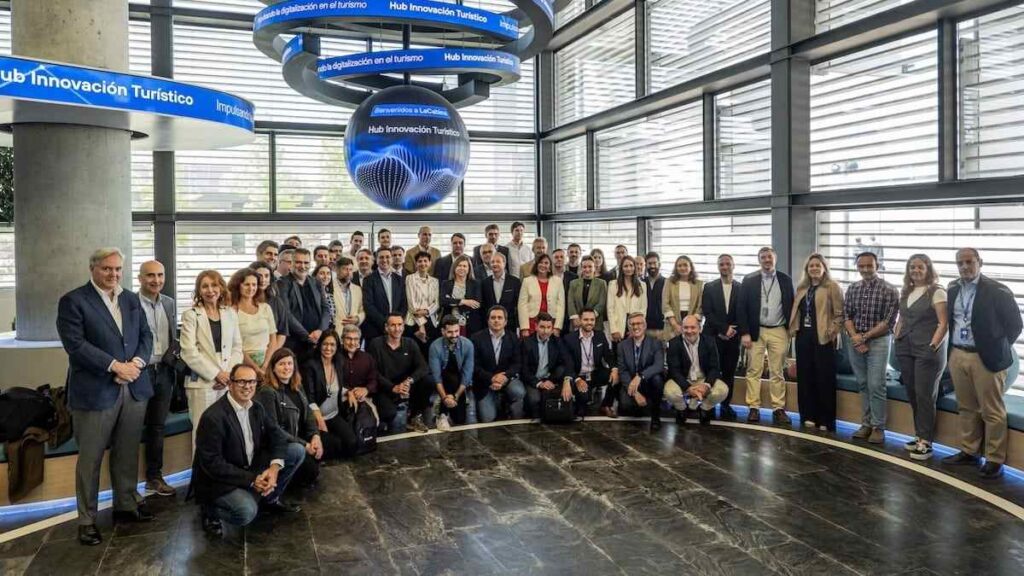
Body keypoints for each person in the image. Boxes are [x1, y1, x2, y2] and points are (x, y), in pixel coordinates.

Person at [57, 248, 155, 546]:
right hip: (96, 391)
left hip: (134, 387)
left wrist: (136, 364)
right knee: (90, 459)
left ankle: (125, 505)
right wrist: (114, 366)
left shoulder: (129, 298)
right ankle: (87, 520)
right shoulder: (73, 301)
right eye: (107, 269)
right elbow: (75, 345)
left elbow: (145, 336)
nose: (113, 274)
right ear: (93, 268)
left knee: (127, 452)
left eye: (118, 269)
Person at [192, 364, 305, 537]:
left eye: (252, 381)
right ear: (230, 384)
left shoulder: (257, 408)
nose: (247, 386)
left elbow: (278, 437)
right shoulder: (213, 417)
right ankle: (210, 510)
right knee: (246, 513)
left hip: (250, 467)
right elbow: (213, 464)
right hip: (220, 479)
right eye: (241, 382)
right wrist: (252, 480)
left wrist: (274, 469)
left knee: (296, 451)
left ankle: (269, 498)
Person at [942, 248, 1022, 479]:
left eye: (969, 262)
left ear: (980, 262)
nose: (965, 266)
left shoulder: (997, 290)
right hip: (958, 354)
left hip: (985, 357)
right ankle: (970, 451)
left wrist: (995, 346)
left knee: (992, 410)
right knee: (966, 407)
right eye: (960, 263)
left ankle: (995, 459)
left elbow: (1015, 325)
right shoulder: (953, 288)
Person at [893, 254, 948, 460]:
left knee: (925, 396)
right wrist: (896, 335)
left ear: (928, 269)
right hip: (905, 348)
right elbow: (901, 318)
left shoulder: (937, 291)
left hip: (928, 350)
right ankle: (919, 436)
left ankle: (926, 442)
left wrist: (933, 345)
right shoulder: (906, 291)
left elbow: (943, 323)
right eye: (912, 267)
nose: (915, 271)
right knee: (913, 393)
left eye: (920, 267)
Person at [181, 270, 244, 445]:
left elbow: (237, 347)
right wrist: (216, 374)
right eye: (205, 286)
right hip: (202, 382)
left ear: (221, 288)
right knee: (203, 432)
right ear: (199, 291)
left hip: (227, 381)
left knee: (227, 430)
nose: (210, 290)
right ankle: (201, 472)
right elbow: (188, 351)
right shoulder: (191, 315)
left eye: (214, 285)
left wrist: (228, 375)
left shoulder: (230, 313)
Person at [843, 251, 899, 444]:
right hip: (856, 340)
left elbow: (888, 322)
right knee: (863, 384)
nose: (865, 269)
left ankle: (878, 427)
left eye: (869, 266)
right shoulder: (852, 289)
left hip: (879, 341)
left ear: (877, 265)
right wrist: (855, 337)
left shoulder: (890, 290)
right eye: (861, 266)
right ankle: (866, 424)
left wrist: (864, 337)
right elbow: (847, 316)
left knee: (876, 385)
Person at [738, 247, 794, 425]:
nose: (766, 260)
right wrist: (745, 332)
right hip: (756, 331)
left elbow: (791, 305)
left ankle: (778, 409)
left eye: (769, 257)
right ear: (759, 260)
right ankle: (753, 407)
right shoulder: (749, 279)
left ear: (775, 259)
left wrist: (790, 329)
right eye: (763, 257)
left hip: (779, 330)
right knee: (754, 370)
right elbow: (742, 308)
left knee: (777, 371)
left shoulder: (785, 279)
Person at [788, 254, 844, 432]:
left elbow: (840, 314)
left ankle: (826, 420)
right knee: (805, 378)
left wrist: (833, 330)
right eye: (811, 266)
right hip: (803, 337)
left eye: (817, 265)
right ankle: (808, 415)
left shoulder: (832, 286)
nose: (814, 268)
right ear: (807, 269)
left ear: (824, 268)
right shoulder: (802, 287)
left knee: (824, 378)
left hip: (823, 338)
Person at [136, 260, 178, 498]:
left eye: (160, 275)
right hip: (140, 372)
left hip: (164, 371)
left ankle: (154, 477)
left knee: (157, 427)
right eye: (150, 275)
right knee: (131, 430)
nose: (156, 280)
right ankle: (128, 486)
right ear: (141, 278)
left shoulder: (169, 303)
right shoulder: (130, 303)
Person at [256, 349, 322, 487]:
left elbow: (308, 413)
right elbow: (274, 429)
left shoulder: (297, 385)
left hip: (298, 435)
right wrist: (305, 445)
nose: (287, 368)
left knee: (327, 445)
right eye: (281, 364)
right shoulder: (267, 392)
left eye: (289, 363)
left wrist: (315, 436)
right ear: (273, 368)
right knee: (311, 471)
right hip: (279, 444)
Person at [367, 314, 433, 433]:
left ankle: (413, 416)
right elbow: (373, 373)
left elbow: (423, 367)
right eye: (393, 325)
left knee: (428, 381)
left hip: (406, 386)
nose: (397, 329)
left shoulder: (410, 343)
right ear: (386, 327)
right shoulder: (375, 344)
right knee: (389, 414)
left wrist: (409, 381)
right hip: (386, 388)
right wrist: (393, 388)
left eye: (400, 325)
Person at [301, 330, 359, 458]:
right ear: (319, 345)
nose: (328, 348)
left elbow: (338, 386)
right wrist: (319, 420)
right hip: (316, 418)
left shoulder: (339, 362)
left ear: (337, 347)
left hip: (333, 415)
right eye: (325, 344)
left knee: (352, 443)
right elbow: (308, 398)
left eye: (332, 345)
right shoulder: (310, 366)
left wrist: (349, 392)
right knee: (335, 445)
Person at [665, 315, 730, 426]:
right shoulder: (674, 343)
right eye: (686, 327)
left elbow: (715, 368)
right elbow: (674, 371)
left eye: (693, 327)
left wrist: (706, 385)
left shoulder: (709, 341)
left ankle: (704, 409)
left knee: (722, 390)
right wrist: (688, 388)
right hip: (683, 379)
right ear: (682, 328)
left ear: (700, 328)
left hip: (703, 379)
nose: (689, 331)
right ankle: (682, 410)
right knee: (670, 392)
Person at [701, 254, 741, 421]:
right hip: (713, 336)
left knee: (729, 372)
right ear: (718, 267)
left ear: (733, 265)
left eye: (727, 264)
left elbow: (743, 311)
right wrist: (722, 330)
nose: (724, 267)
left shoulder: (741, 287)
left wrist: (731, 331)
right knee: (710, 371)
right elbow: (707, 312)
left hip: (733, 337)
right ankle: (708, 405)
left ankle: (725, 405)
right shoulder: (709, 287)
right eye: (721, 264)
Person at [470, 305, 526, 422]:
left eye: (500, 318)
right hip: (485, 382)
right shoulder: (476, 338)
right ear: (488, 320)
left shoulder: (513, 338)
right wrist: (491, 378)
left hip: (507, 379)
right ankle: (497, 404)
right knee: (487, 419)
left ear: (505, 322)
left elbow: (517, 364)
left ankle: (512, 416)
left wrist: (504, 377)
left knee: (519, 392)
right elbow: (475, 366)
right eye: (493, 317)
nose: (496, 320)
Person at [339, 323, 398, 428]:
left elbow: (374, 379)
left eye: (356, 339)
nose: (352, 343)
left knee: (389, 411)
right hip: (343, 396)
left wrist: (366, 389)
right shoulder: (336, 358)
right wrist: (348, 392)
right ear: (342, 339)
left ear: (359, 341)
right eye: (349, 339)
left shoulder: (367, 358)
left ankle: (371, 426)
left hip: (366, 395)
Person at [276, 248, 330, 361]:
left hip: (317, 339)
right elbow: (286, 314)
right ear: (292, 263)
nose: (303, 266)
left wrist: (320, 330)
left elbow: (326, 309)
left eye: (306, 263)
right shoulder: (282, 283)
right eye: (299, 262)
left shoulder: (316, 282)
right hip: (295, 341)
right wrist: (307, 336)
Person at [563, 308, 617, 419]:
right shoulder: (569, 339)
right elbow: (567, 364)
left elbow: (609, 355)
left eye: (592, 320)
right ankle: (581, 400)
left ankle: (606, 405)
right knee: (582, 409)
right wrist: (577, 379)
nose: (589, 322)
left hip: (594, 373)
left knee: (616, 376)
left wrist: (614, 369)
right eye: (586, 319)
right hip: (579, 376)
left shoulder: (600, 336)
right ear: (580, 320)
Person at [616, 313, 665, 431]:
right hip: (632, 383)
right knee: (625, 406)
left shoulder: (655, 343)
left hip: (648, 382)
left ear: (645, 326)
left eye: (639, 323)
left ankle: (655, 416)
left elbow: (659, 366)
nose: (635, 327)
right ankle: (642, 404)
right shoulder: (622, 346)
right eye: (632, 324)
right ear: (629, 327)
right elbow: (622, 371)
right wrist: (635, 393)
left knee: (657, 379)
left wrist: (640, 377)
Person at [229, 268, 279, 380]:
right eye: (246, 284)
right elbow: (234, 344)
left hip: (267, 363)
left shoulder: (265, 308)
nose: (251, 288)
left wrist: (265, 365)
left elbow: (273, 340)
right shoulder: (231, 312)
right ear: (238, 285)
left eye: (254, 284)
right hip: (242, 363)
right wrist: (255, 368)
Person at [519, 312, 571, 418]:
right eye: (542, 327)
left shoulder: (557, 341)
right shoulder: (526, 343)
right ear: (536, 327)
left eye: (548, 327)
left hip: (549, 378)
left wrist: (566, 380)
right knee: (534, 400)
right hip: (532, 379)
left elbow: (567, 361)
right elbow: (523, 369)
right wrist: (539, 383)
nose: (545, 331)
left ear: (552, 328)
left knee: (561, 371)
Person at [429, 315, 476, 430]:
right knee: (449, 377)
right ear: (443, 331)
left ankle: (452, 405)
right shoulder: (435, 346)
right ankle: (442, 414)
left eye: (457, 331)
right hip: (443, 380)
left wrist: (455, 396)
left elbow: (467, 374)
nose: (454, 335)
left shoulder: (468, 345)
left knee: (460, 419)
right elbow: (437, 377)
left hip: (460, 383)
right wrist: (445, 398)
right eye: (450, 332)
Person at [364, 246, 408, 343]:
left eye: (388, 257)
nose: (385, 260)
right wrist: (385, 323)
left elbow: (404, 303)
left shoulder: (399, 279)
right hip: (376, 329)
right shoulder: (368, 280)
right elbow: (368, 305)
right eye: (381, 257)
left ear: (392, 259)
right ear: (376, 260)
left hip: (397, 330)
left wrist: (396, 323)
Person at [518, 253, 566, 338]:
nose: (543, 265)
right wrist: (524, 328)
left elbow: (561, 306)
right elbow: (522, 305)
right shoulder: (527, 281)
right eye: (541, 262)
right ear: (536, 265)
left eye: (546, 263)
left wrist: (557, 327)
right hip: (532, 322)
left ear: (550, 266)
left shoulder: (558, 281)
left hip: (551, 322)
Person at [249, 261, 289, 352]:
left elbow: (282, 332)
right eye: (259, 276)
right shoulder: (243, 301)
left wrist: (272, 354)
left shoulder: (276, 301)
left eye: (267, 276)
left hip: (273, 352)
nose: (263, 280)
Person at [606, 256, 647, 343]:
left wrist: (637, 328)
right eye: (626, 266)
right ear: (621, 268)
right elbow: (610, 309)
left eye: (631, 265)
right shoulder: (613, 284)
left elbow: (643, 309)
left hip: (635, 324)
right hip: (618, 326)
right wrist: (614, 330)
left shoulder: (642, 285)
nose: (629, 268)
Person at [441, 254, 483, 336]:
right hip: (450, 324)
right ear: (454, 267)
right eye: (459, 265)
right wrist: (464, 301)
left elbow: (476, 303)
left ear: (469, 269)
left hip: (471, 324)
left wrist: (452, 301)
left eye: (465, 266)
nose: (462, 268)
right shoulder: (446, 284)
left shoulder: (476, 284)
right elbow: (443, 301)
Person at [405, 251, 441, 346]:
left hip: (431, 319)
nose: (423, 263)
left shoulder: (435, 281)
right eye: (420, 261)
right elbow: (411, 303)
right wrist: (421, 325)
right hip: (414, 321)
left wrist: (426, 311)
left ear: (430, 263)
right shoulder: (410, 278)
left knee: (428, 350)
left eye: (425, 261)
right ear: (416, 264)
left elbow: (436, 303)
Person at [664, 255, 704, 337]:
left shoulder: (699, 284)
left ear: (691, 267)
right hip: (673, 322)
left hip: (692, 322)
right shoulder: (669, 282)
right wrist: (675, 325)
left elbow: (700, 305)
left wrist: (691, 323)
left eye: (685, 265)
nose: (682, 268)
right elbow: (665, 304)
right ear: (676, 268)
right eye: (679, 266)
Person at [481, 252, 522, 331]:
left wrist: (518, 325)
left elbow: (519, 305)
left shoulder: (515, 282)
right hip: (490, 325)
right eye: (492, 262)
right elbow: (483, 306)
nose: (495, 264)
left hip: (510, 325)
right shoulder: (485, 283)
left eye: (498, 261)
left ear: (504, 263)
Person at [568, 256, 608, 332]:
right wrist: (575, 317)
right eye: (584, 267)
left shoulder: (601, 283)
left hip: (595, 323)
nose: (587, 269)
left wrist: (589, 318)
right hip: (577, 323)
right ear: (581, 268)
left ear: (594, 268)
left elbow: (602, 303)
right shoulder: (573, 283)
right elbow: (571, 302)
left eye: (590, 267)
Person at [330, 256, 366, 333]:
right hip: (335, 333)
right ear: (337, 270)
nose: (348, 272)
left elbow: (362, 310)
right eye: (345, 269)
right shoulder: (330, 287)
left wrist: (357, 319)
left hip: (353, 333)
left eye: (350, 269)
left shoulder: (358, 289)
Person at [551, 248, 577, 333]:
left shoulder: (574, 277)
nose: (559, 259)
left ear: (566, 259)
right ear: (552, 259)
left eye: (561, 257)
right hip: (551, 315)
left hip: (568, 317)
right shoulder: (547, 277)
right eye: (556, 257)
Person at [643, 252, 666, 339]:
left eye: (654, 263)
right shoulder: (641, 283)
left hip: (662, 328)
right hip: (644, 328)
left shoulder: (667, 283)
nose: (652, 266)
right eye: (649, 264)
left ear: (659, 264)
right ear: (646, 265)